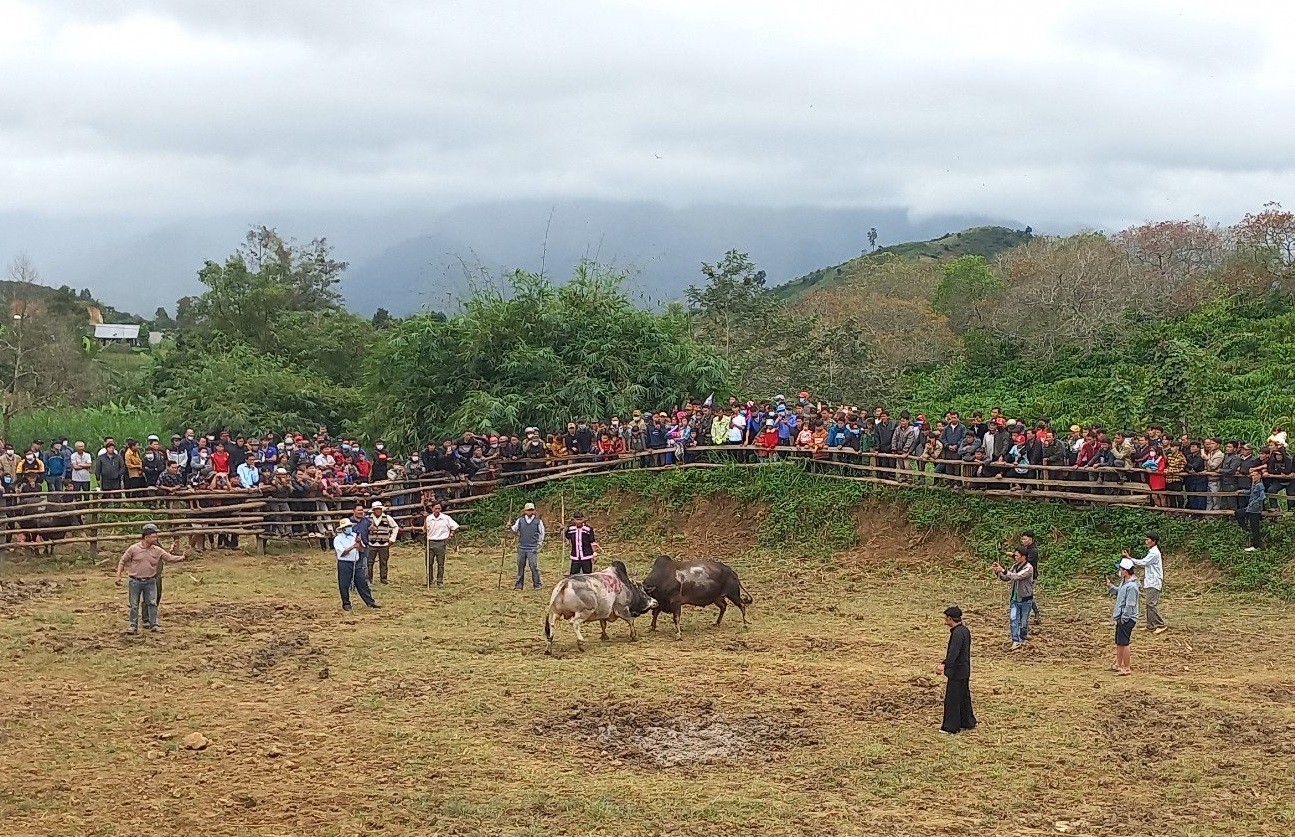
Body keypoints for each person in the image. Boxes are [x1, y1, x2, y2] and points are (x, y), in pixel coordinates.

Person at [114, 523, 187, 634]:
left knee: (152, 603)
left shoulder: (157, 550)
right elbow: (122, 561)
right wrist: (118, 576)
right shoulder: (134, 549)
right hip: (135, 581)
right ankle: (133, 626)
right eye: (153, 536)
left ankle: (154, 624)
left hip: (150, 581)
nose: (155, 538)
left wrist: (182, 558)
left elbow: (169, 558)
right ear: (146, 537)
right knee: (134, 604)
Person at [936, 605, 976, 735]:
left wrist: (944, 664)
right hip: (964, 670)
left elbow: (953, 653)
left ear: (949, 618)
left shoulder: (957, 634)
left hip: (957, 672)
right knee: (963, 697)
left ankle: (951, 727)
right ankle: (967, 722)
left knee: (952, 699)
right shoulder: (965, 630)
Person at [991, 547, 1035, 650]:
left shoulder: (1028, 568)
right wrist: (998, 571)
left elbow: (1016, 576)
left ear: (1023, 557)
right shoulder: (1015, 566)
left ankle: (1022, 638)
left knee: (1023, 623)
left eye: (1017, 555)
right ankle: (1016, 640)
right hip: (1014, 599)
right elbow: (1006, 578)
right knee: (1013, 619)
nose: (1014, 557)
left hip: (1026, 599)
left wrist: (1003, 570)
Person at [333, 517, 379, 612]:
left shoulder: (355, 536)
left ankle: (370, 602)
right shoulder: (338, 539)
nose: (349, 528)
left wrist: (359, 544)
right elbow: (342, 552)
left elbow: (361, 548)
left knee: (362, 582)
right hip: (344, 563)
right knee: (344, 584)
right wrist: (353, 546)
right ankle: (346, 603)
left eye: (350, 526)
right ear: (343, 529)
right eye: (347, 526)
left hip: (356, 561)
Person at [1126, 533, 1166, 634]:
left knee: (1150, 604)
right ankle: (1150, 625)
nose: (1146, 541)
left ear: (1153, 541)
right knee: (1149, 604)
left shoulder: (1154, 553)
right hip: (1151, 581)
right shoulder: (1152, 552)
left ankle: (1161, 624)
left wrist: (1130, 559)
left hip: (1154, 581)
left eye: (1148, 539)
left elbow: (1143, 562)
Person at [1107, 557, 1140, 675]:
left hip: (1126, 618)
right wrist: (1111, 587)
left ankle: (1126, 667)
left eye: (1120, 569)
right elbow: (1119, 592)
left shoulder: (1132, 587)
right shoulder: (1124, 583)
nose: (1119, 571)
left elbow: (1130, 605)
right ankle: (1118, 664)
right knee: (1119, 642)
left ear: (1125, 571)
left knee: (1124, 643)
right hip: (1121, 617)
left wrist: (1124, 618)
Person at [510, 501, 546, 590]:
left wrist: (539, 544)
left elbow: (542, 533)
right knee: (520, 567)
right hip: (522, 547)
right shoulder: (520, 520)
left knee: (533, 566)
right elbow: (514, 529)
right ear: (525, 511)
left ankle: (537, 584)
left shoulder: (538, 522)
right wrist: (509, 526)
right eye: (528, 510)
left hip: (532, 548)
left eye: (531, 510)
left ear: (534, 511)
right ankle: (519, 585)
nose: (530, 512)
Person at [423, 501, 459, 587]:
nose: (437, 510)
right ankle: (429, 580)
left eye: (439, 508)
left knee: (440, 563)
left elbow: (454, 526)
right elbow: (425, 530)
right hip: (430, 542)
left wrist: (450, 535)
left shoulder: (446, 518)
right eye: (435, 508)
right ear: (432, 509)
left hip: (441, 542)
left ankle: (440, 581)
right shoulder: (428, 518)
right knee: (429, 563)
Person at [366, 501, 400, 584]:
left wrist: (392, 539)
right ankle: (368, 579)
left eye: (379, 509)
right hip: (371, 543)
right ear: (373, 510)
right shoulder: (367, 519)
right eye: (376, 509)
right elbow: (363, 529)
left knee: (383, 562)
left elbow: (395, 527)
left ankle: (383, 579)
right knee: (369, 562)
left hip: (384, 544)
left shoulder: (388, 518)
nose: (378, 511)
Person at [1241, 466, 1266, 552]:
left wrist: (1254, 503)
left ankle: (1256, 546)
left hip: (1255, 509)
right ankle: (1245, 527)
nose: (1253, 477)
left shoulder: (1260, 485)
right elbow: (1251, 493)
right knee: (1238, 513)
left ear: (1259, 476)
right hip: (1250, 508)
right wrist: (1242, 491)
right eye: (1252, 476)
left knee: (1255, 528)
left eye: (1255, 475)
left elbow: (1262, 496)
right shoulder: (1254, 484)